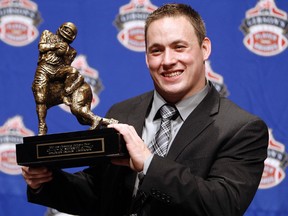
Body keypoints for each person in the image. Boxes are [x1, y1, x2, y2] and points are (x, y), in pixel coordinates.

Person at [22, 3, 268, 216]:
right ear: (147, 56)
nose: (167, 60)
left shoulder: (241, 128)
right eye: (156, 50)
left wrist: (149, 164)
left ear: (204, 49)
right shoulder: (124, 111)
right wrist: (46, 181)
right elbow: (98, 193)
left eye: (179, 47)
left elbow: (222, 205)